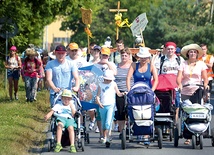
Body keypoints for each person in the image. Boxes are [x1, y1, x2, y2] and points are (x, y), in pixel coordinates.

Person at [176, 43, 208, 145]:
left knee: (197, 112)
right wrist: (179, 84)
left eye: (194, 52)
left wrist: (206, 85)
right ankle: (188, 136)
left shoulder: (201, 64)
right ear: (188, 54)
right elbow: (179, 77)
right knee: (187, 114)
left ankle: (199, 132)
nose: (193, 53)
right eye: (191, 52)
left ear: (197, 54)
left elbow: (205, 78)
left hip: (197, 91)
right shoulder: (183, 64)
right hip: (185, 90)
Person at [126, 47, 158, 145]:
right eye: (142, 57)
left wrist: (152, 91)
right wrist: (129, 90)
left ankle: (146, 134)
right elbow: (128, 78)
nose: (143, 59)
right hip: (136, 93)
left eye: (145, 57)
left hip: (148, 93)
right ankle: (138, 130)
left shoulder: (151, 66)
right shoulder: (134, 65)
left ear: (148, 57)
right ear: (139, 57)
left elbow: (156, 80)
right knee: (136, 111)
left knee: (148, 111)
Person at [156, 42, 184, 123]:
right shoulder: (160, 60)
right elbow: (157, 73)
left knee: (177, 103)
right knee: (163, 102)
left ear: (175, 50)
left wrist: (180, 84)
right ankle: (161, 123)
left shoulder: (180, 60)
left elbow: (182, 73)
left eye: (172, 49)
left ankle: (175, 122)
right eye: (168, 49)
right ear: (165, 49)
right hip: (164, 85)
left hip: (175, 85)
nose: (170, 50)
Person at [96, 70, 125, 146]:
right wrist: (99, 103)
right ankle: (104, 136)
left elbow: (118, 93)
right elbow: (98, 96)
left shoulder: (113, 84)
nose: (109, 81)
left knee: (108, 122)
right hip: (102, 105)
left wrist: (123, 94)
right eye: (107, 79)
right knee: (103, 123)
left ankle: (107, 137)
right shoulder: (100, 85)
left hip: (111, 105)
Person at [44, 89, 77, 153]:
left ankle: (72, 145)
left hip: (69, 118)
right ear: (61, 98)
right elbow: (52, 111)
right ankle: (58, 144)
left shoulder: (71, 105)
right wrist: (47, 116)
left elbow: (73, 114)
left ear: (70, 99)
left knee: (71, 128)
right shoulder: (59, 105)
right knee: (59, 126)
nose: (66, 100)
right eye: (65, 98)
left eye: (68, 99)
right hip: (61, 118)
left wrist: (72, 107)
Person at [114, 47, 133, 138]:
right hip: (119, 91)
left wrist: (130, 90)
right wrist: (117, 91)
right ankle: (122, 131)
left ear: (129, 56)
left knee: (132, 111)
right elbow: (113, 80)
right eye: (122, 55)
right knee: (120, 112)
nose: (124, 57)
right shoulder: (116, 66)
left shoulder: (133, 66)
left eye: (126, 55)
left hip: (131, 91)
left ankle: (132, 128)